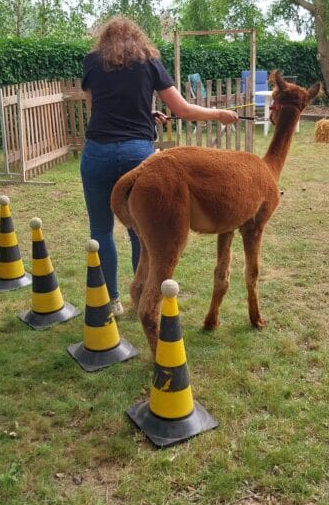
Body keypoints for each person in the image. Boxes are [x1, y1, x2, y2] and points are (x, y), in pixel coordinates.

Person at [80, 16, 239, 315]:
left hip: (97, 153)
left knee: (101, 230)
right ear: (138, 37)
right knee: (141, 232)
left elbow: (97, 110)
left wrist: (145, 113)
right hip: (137, 154)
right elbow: (182, 109)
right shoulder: (149, 61)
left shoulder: (91, 62)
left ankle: (111, 300)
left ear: (104, 39)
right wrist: (219, 114)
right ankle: (142, 296)